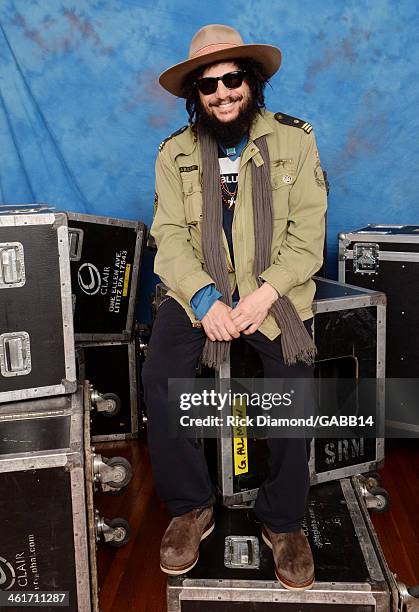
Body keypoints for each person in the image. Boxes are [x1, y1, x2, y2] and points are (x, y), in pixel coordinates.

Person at [142, 24, 327, 591]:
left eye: (233, 79)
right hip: (201, 290)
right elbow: (168, 236)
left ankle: (283, 520)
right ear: (195, 95)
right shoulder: (173, 154)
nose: (222, 93)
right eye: (208, 85)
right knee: (158, 375)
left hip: (273, 291)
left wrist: (265, 293)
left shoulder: (296, 141)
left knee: (294, 382)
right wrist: (204, 298)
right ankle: (190, 506)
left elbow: (307, 237)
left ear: (253, 81)